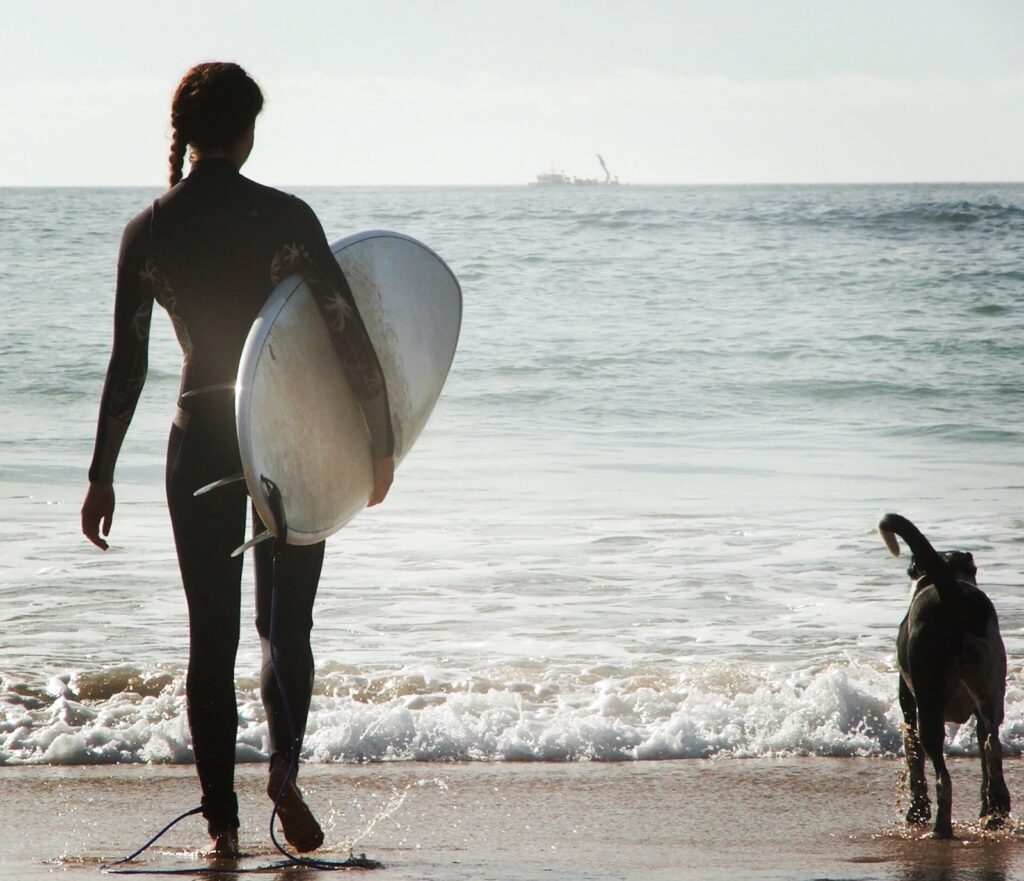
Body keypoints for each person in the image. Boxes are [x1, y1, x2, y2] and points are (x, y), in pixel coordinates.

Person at [80, 62, 396, 858]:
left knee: (210, 637)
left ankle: (220, 824)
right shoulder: (283, 217)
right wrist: (378, 439)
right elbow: (345, 331)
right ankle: (283, 776)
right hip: (286, 436)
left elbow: (128, 366)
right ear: (247, 132)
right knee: (285, 627)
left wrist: (100, 471)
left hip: (200, 439)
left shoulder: (149, 230)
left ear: (187, 135)